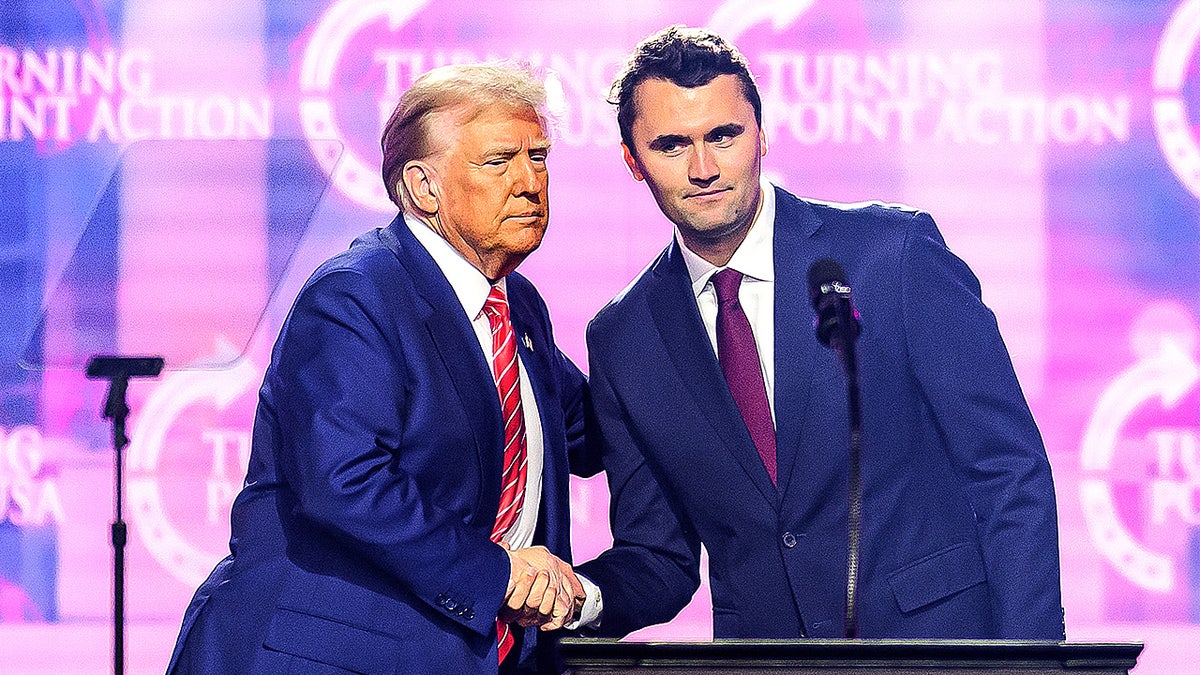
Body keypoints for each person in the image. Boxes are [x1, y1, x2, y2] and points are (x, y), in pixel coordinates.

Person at [574, 26, 1065, 640]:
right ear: (632, 160)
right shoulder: (625, 338)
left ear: (762, 134)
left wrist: (1034, 660)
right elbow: (658, 555)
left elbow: (1007, 469)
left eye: (723, 136)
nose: (704, 168)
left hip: (936, 648)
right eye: (672, 146)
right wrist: (576, 599)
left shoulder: (893, 257)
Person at [167, 63, 600, 674]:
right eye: (499, 161)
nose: (530, 181)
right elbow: (345, 481)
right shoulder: (355, 296)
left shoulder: (517, 305)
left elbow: (592, 433)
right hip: (328, 656)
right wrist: (499, 573)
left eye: (538, 155)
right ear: (424, 188)